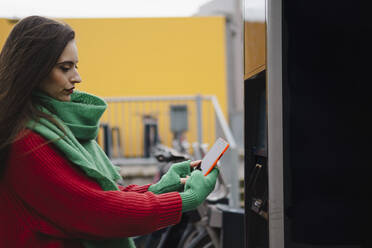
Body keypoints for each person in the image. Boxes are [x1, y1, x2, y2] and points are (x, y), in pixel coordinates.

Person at [0, 16, 219, 248]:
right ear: (33, 68)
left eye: (76, 66)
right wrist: (186, 200)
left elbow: (100, 197)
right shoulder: (27, 140)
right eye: (65, 68)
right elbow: (96, 212)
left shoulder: (44, 126)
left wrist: (161, 188)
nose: (77, 77)